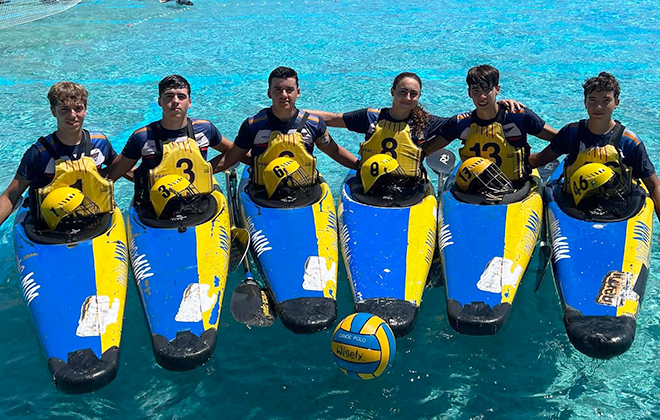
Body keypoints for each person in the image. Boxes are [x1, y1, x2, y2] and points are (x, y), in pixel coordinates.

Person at [308, 71, 528, 196]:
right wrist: (297, 113)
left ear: (419, 96)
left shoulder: (427, 123)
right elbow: (331, 118)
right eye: (403, 92)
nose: (407, 98)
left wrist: (498, 105)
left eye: (413, 94)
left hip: (410, 189)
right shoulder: (371, 117)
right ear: (392, 91)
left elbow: (471, 119)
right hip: (369, 187)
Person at [529, 72, 660, 237]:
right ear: (585, 103)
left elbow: (654, 186)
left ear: (616, 103)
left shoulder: (629, 141)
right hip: (573, 206)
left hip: (619, 208)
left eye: (606, 100)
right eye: (592, 100)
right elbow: (541, 159)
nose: (598, 107)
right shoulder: (572, 133)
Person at [212, 67, 358, 187]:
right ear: (269, 93)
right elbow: (230, 158)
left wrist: (361, 167)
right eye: (278, 89)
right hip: (262, 192)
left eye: (289, 90)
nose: (284, 95)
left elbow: (335, 152)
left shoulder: (313, 124)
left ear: (298, 92)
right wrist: (203, 173)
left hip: (306, 192)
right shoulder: (253, 125)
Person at [0, 82, 117, 228]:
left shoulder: (99, 143)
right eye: (64, 109)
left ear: (85, 110)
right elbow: (11, 196)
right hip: (48, 227)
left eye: (78, 108)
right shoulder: (38, 154)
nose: (72, 115)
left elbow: (123, 168)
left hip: (95, 218)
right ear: (53, 111)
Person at [108, 75, 236, 207]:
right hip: (156, 208)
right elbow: (115, 173)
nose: (175, 101)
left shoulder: (204, 129)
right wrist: (144, 180)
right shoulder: (142, 137)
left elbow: (234, 152)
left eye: (181, 97)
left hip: (200, 202)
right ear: (159, 101)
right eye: (169, 96)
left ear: (189, 102)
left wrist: (205, 170)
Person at [432, 65, 557, 189]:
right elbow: (427, 150)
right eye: (476, 90)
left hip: (515, 190)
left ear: (497, 89)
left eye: (487, 89)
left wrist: (539, 159)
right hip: (472, 192)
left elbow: (561, 138)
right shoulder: (460, 123)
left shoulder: (519, 117)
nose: (482, 97)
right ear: (469, 93)